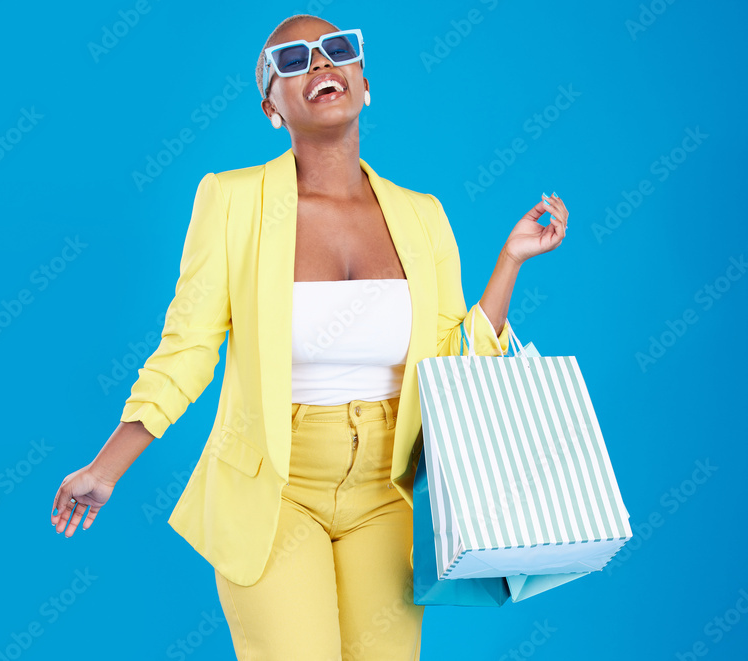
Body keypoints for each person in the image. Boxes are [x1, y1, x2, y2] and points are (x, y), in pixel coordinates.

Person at [49, 13, 569, 660]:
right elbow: (187, 347)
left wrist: (509, 262)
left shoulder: (422, 214)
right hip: (275, 489)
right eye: (292, 60)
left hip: (387, 492)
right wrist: (108, 466)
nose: (319, 63)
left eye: (337, 49)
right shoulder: (232, 200)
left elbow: (449, 361)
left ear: (364, 82)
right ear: (272, 106)